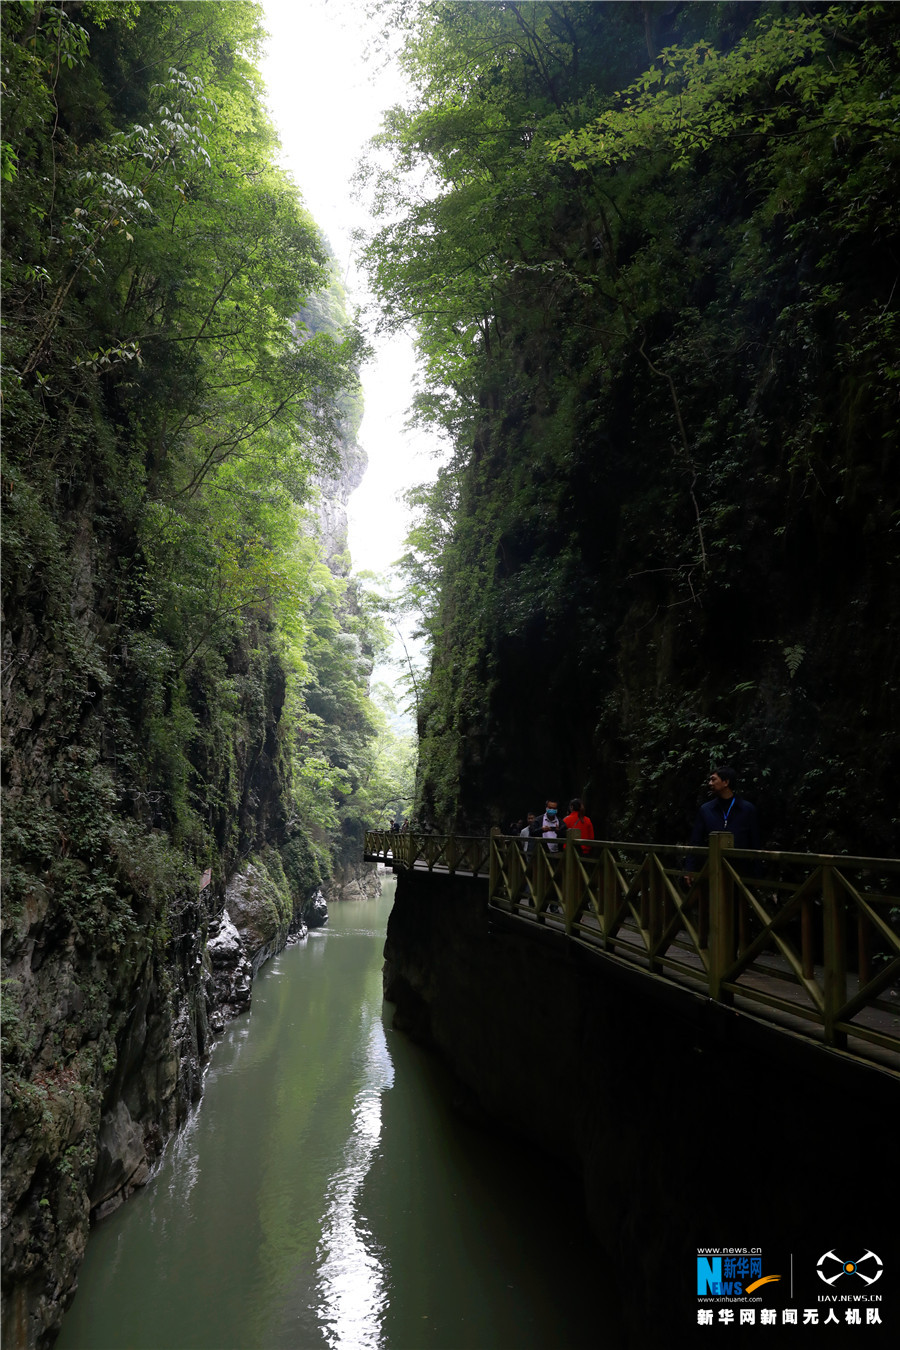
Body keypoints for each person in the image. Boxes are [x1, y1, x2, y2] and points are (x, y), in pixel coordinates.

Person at [685, 765, 759, 881]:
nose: (710, 783)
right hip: (712, 871)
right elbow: (695, 841)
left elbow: (755, 842)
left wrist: (757, 873)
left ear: (726, 782)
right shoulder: (706, 809)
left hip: (741, 873)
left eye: (713, 779)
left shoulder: (747, 809)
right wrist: (690, 869)